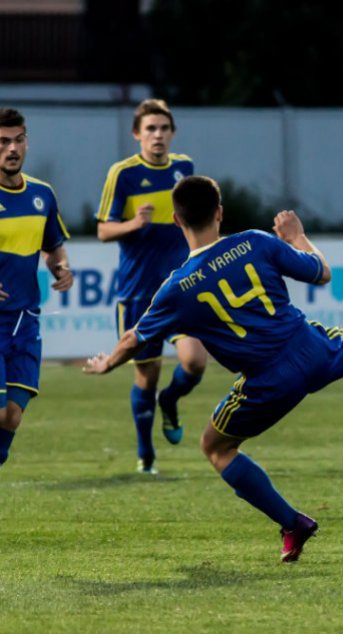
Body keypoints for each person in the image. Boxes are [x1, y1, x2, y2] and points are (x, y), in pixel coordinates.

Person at [84, 175, 343, 562]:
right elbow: (321, 272)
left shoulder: (175, 288)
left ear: (176, 221)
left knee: (216, 447)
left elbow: (134, 338)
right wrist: (296, 235)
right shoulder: (255, 240)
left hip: (267, 383)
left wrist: (108, 363)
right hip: (313, 348)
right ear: (220, 213)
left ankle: (293, 523)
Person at [96, 99, 208, 474]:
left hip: (179, 287)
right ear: (137, 134)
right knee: (147, 373)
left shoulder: (184, 168)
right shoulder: (123, 174)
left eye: (163, 128)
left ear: (172, 132)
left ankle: (171, 402)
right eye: (150, 129)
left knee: (194, 362)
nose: (157, 135)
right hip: (138, 290)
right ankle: (146, 454)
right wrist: (133, 225)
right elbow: (103, 229)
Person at [0, 107, 74, 468]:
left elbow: (53, 245)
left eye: (18, 140)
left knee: (12, 416)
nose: (11, 148)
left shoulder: (42, 195)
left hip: (24, 321)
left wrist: (61, 266)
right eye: (2, 142)